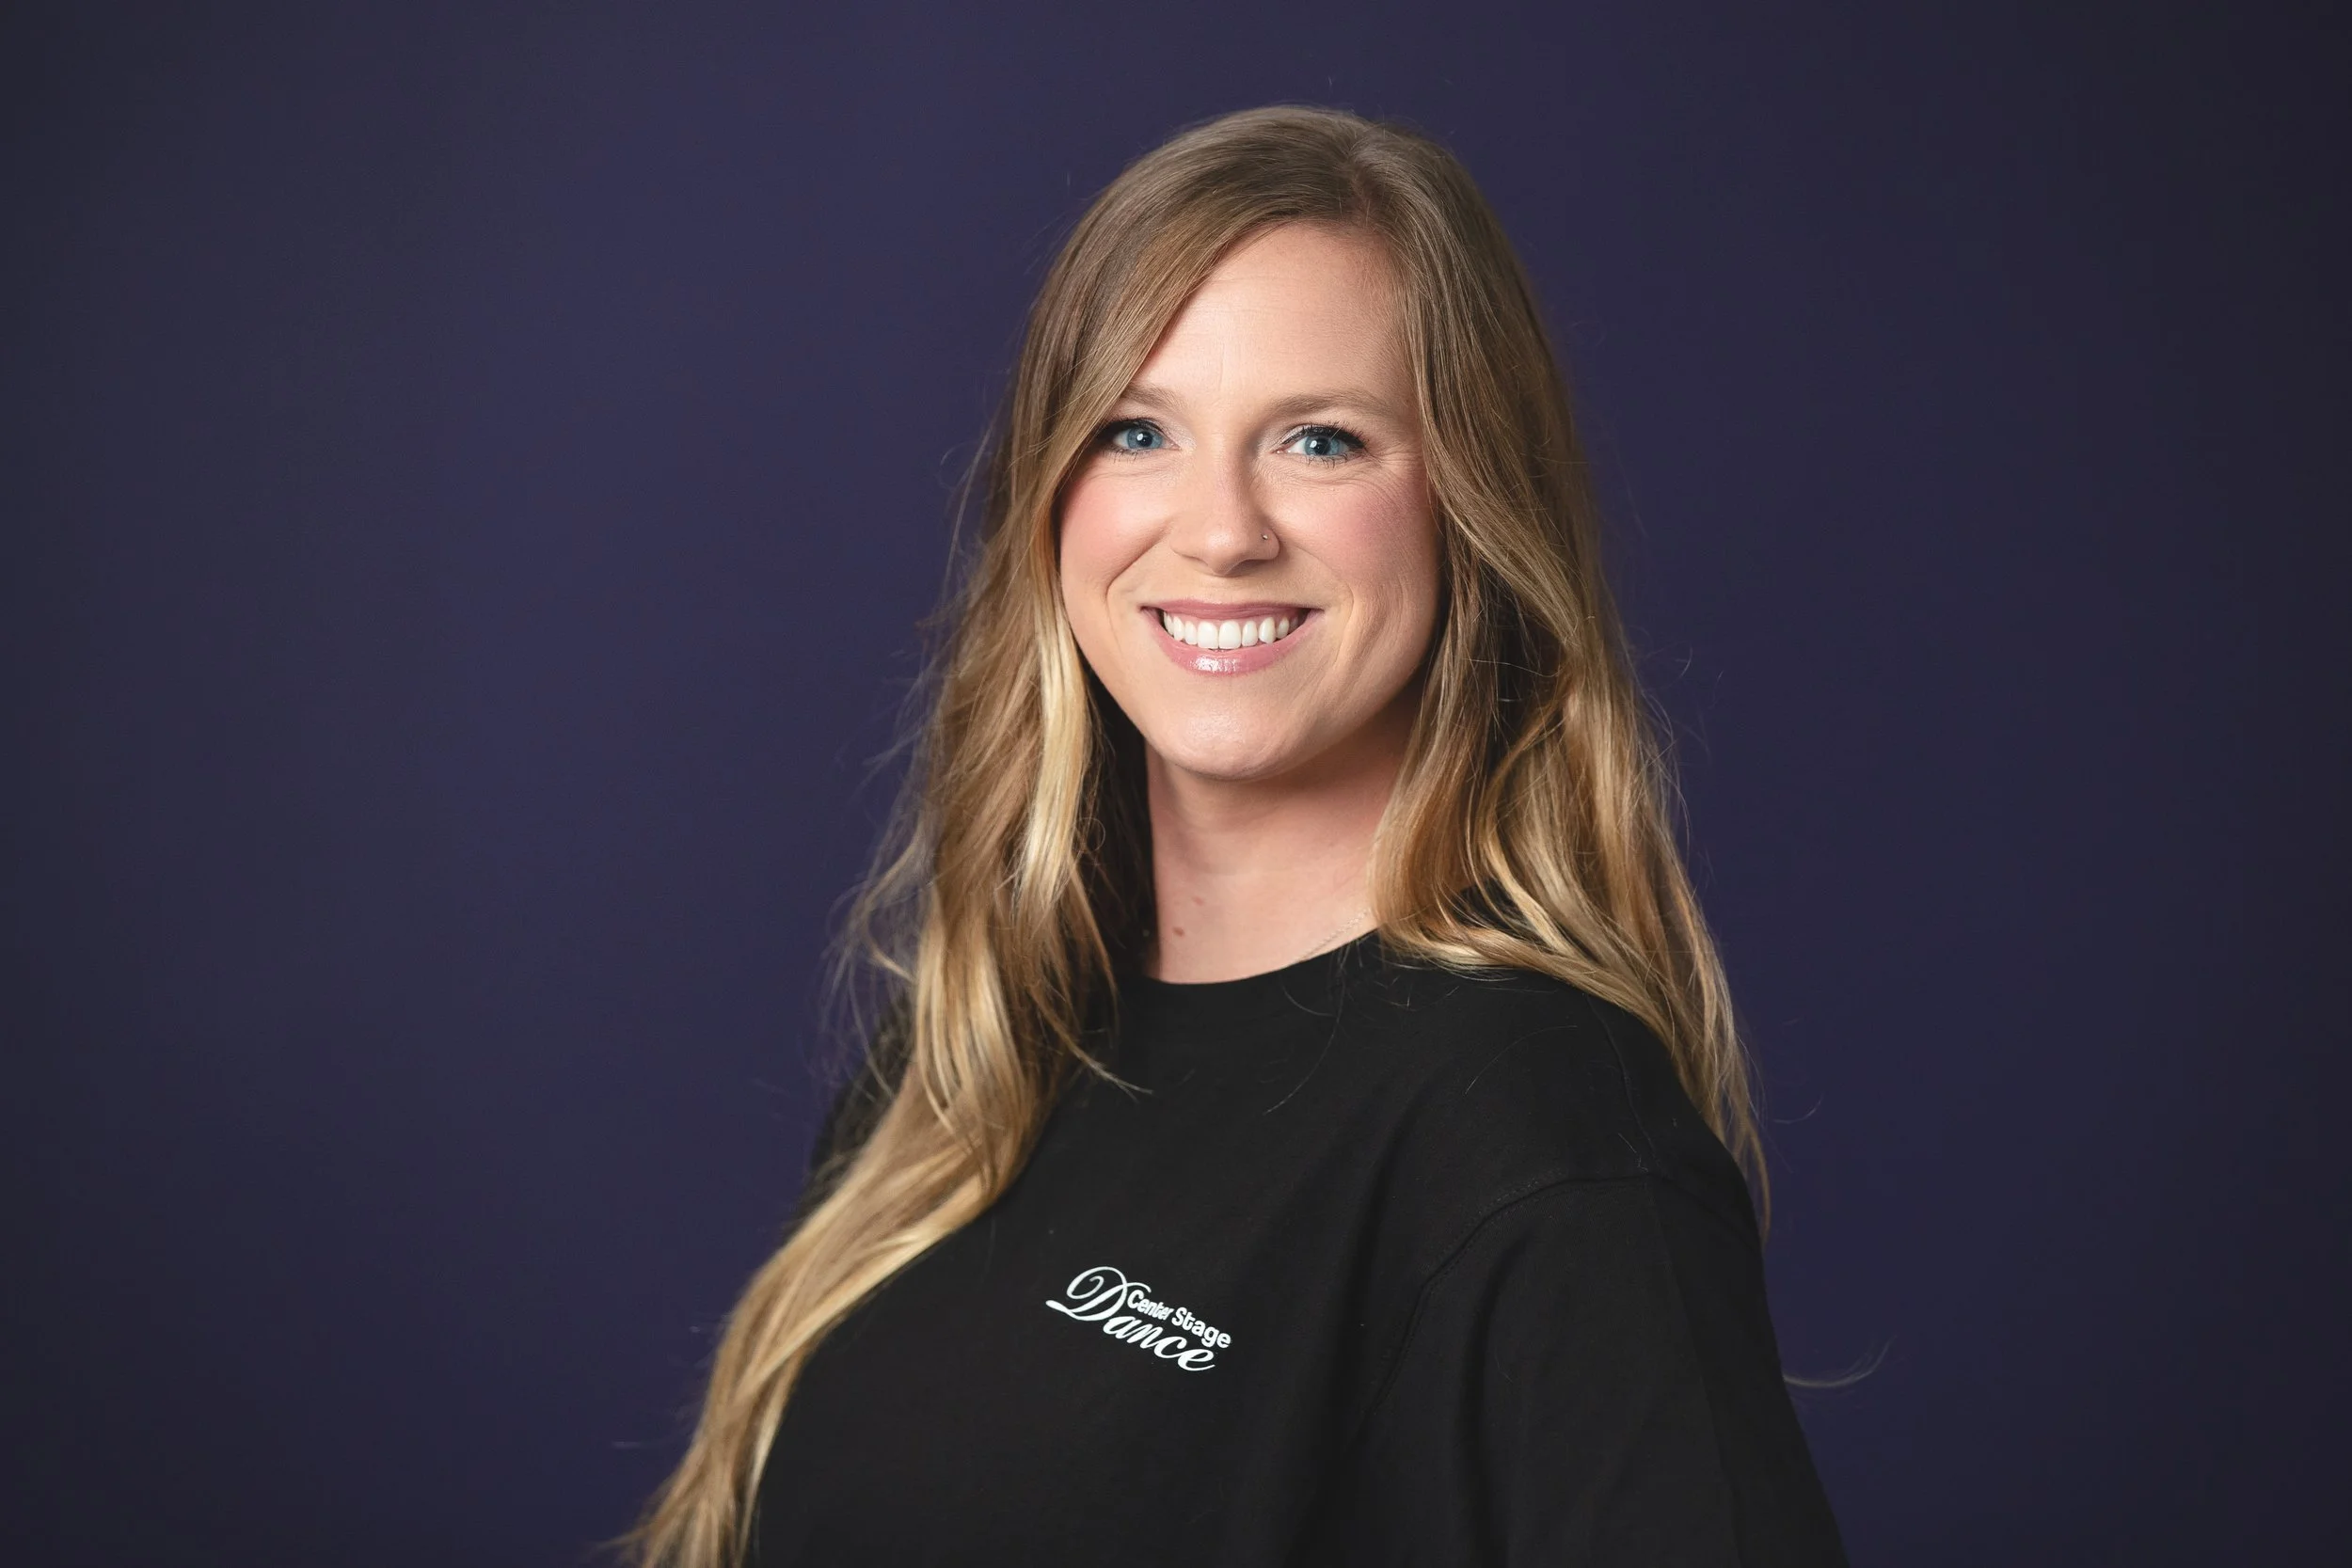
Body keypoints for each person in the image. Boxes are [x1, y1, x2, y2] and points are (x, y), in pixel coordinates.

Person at [631, 105, 1846, 1567]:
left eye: (1321, 441)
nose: (1220, 529)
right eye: (1138, 430)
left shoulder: (1546, 1140)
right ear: (1051, 496)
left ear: (1471, 504)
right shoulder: (973, 1055)